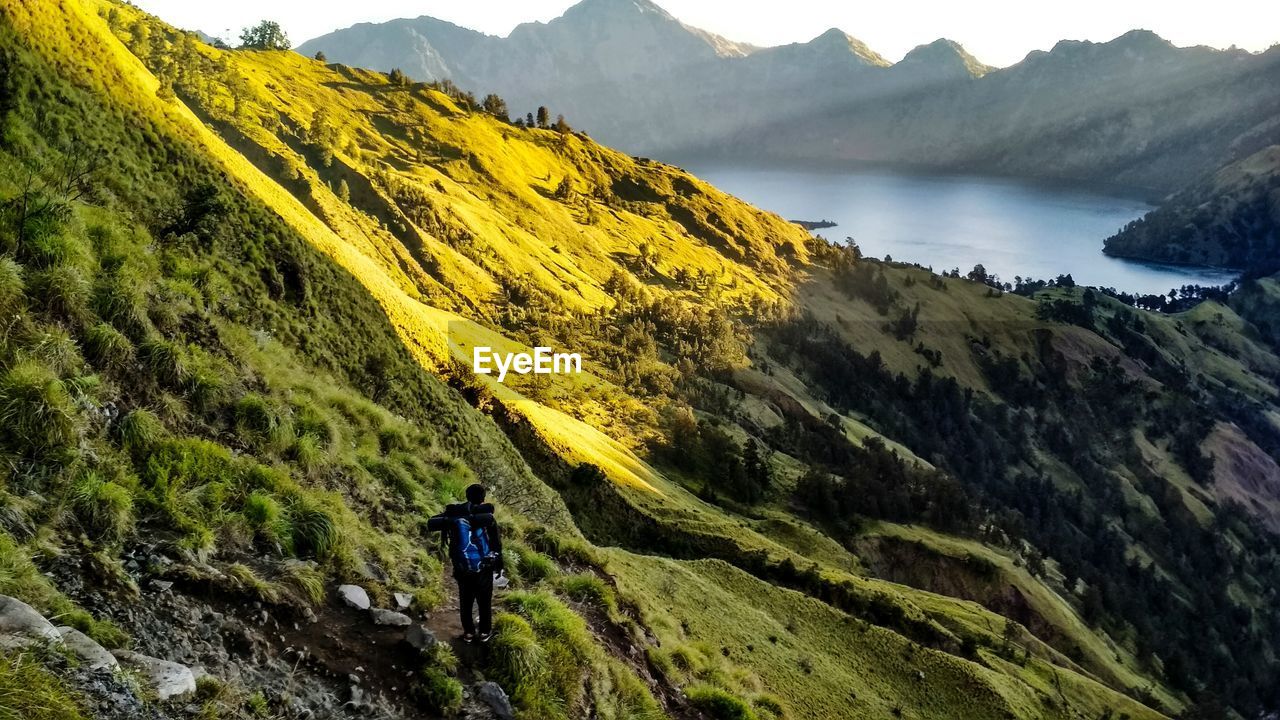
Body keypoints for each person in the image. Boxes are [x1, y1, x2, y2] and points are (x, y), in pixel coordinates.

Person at [427, 483, 503, 642]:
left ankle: (468, 633)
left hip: (461, 567)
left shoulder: (454, 516)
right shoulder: (486, 517)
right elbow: (496, 543)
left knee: (465, 600)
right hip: (483, 566)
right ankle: (484, 633)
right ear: (483, 499)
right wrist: (498, 564)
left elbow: (433, 522)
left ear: (467, 496)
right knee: (484, 601)